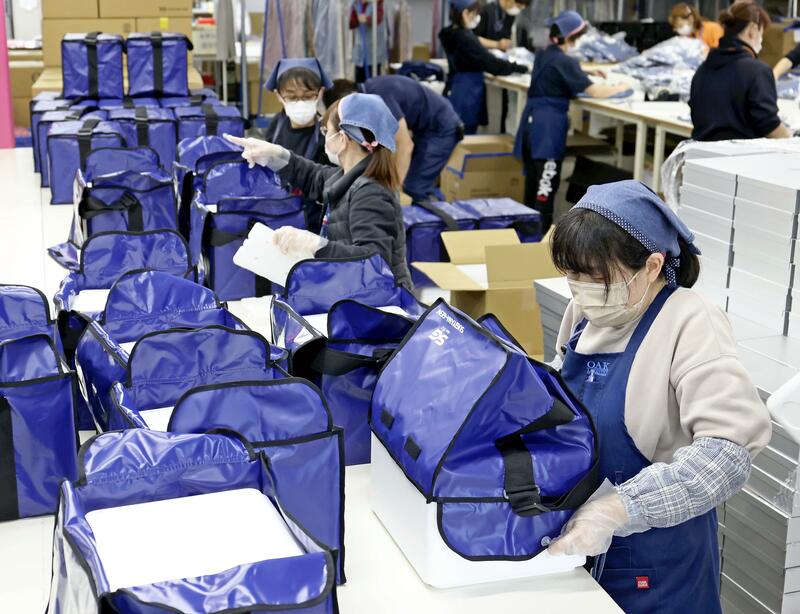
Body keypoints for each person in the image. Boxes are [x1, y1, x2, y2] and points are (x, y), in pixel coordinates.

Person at [546, 180, 771, 614]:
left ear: (652, 266)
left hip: (659, 569)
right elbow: (561, 389)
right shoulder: (584, 313)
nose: (582, 289)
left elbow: (727, 453)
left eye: (597, 277)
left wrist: (619, 510)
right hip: (578, 549)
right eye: (573, 276)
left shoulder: (690, 319)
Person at [224, 93, 412, 289]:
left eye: (326, 131)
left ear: (342, 139)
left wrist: (315, 244)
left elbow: (374, 261)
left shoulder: (371, 193)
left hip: (381, 301)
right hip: (356, 292)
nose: (325, 138)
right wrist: (274, 154)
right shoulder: (349, 176)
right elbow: (313, 175)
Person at [514, 10, 629, 233]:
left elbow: (560, 67)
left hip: (531, 124)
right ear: (569, 37)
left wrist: (584, 70)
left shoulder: (544, 53)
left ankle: (526, 236)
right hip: (548, 130)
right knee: (545, 189)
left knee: (532, 185)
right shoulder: (565, 61)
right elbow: (595, 91)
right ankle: (540, 239)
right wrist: (621, 87)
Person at [323, 76, 464, 202]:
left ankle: (435, 219)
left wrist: (393, 192)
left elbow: (405, 145)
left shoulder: (381, 96)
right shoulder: (370, 92)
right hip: (424, 129)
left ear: (349, 98)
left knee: (415, 187)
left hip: (442, 129)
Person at [690, 1, 792, 141]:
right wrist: (791, 138)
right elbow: (769, 125)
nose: (762, 40)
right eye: (762, 33)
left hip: (700, 152)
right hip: (743, 154)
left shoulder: (702, 70)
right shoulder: (758, 71)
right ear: (752, 30)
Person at [439, 0, 529, 135]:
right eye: (475, 14)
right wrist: (522, 68)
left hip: (456, 87)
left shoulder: (451, 32)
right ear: (465, 14)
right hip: (468, 92)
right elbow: (491, 63)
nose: (477, 18)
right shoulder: (466, 38)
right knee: (465, 134)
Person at [263, 58, 332, 234]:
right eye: (292, 97)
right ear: (279, 95)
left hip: (314, 223)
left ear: (320, 93)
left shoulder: (329, 132)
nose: (300, 102)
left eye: (308, 96)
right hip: (278, 216)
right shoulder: (276, 126)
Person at [350, 0, 388, 83]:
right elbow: (351, 23)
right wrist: (357, 19)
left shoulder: (378, 3)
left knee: (373, 81)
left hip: (374, 51)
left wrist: (367, 19)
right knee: (359, 81)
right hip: (360, 50)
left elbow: (378, 19)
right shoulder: (356, 4)